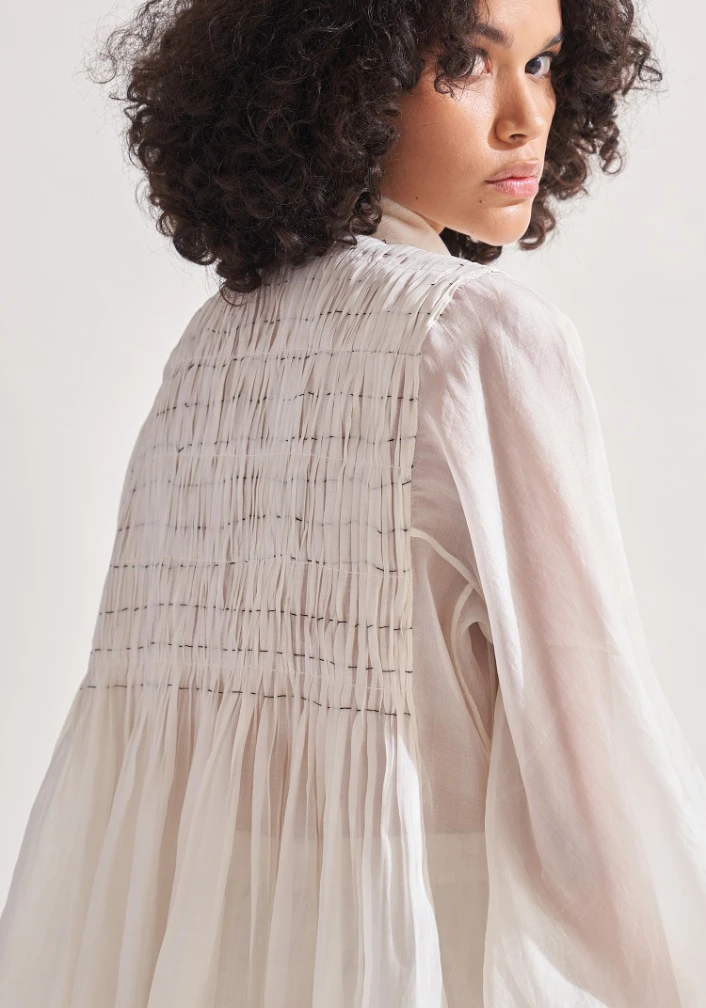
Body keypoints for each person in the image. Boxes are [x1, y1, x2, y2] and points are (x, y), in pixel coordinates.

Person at [1, 0, 706, 1004]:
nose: (525, 120)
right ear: (347, 80)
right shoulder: (474, 338)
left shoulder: (208, 349)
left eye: (544, 64)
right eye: (465, 63)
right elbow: (596, 789)